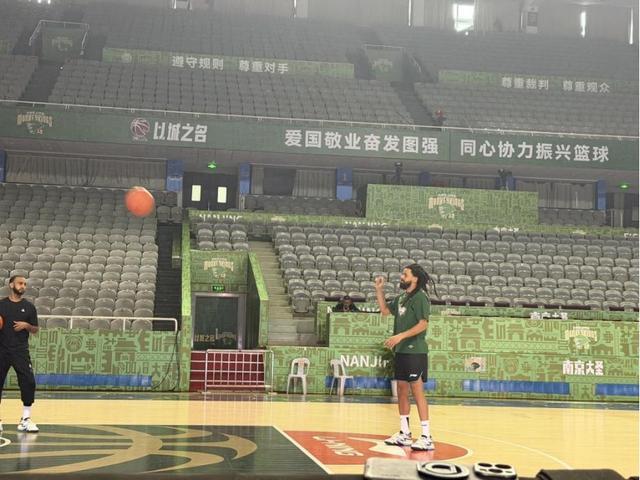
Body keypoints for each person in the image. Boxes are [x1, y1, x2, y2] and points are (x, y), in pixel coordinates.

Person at [374, 264, 436, 451]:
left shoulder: (420, 298)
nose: (401, 276)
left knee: (417, 391)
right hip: (401, 351)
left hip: (415, 351)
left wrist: (400, 336)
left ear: (415, 278)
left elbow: (423, 324)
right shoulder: (402, 298)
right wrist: (379, 289)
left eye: (405, 274)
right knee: (401, 390)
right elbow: (385, 310)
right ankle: (404, 433)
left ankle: (426, 436)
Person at [0, 275, 39, 433]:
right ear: (11, 285)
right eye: (20, 283)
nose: (23, 286)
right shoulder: (1, 305)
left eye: (24, 284)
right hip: (2, 350)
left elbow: (35, 330)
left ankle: (25, 419)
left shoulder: (29, 307)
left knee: (29, 382)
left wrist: (26, 325)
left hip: (20, 351)